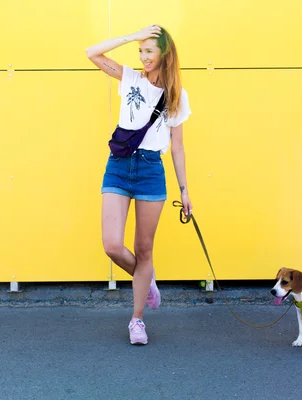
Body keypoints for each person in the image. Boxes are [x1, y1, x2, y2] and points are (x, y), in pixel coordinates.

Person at [86, 24, 193, 345]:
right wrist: (134, 35)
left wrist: (185, 191)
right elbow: (92, 53)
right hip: (118, 166)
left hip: (150, 169)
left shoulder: (176, 95)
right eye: (140, 51)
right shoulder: (130, 77)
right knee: (112, 245)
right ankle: (146, 281)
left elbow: (177, 146)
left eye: (149, 51)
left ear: (165, 53)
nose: (144, 57)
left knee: (145, 249)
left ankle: (137, 320)